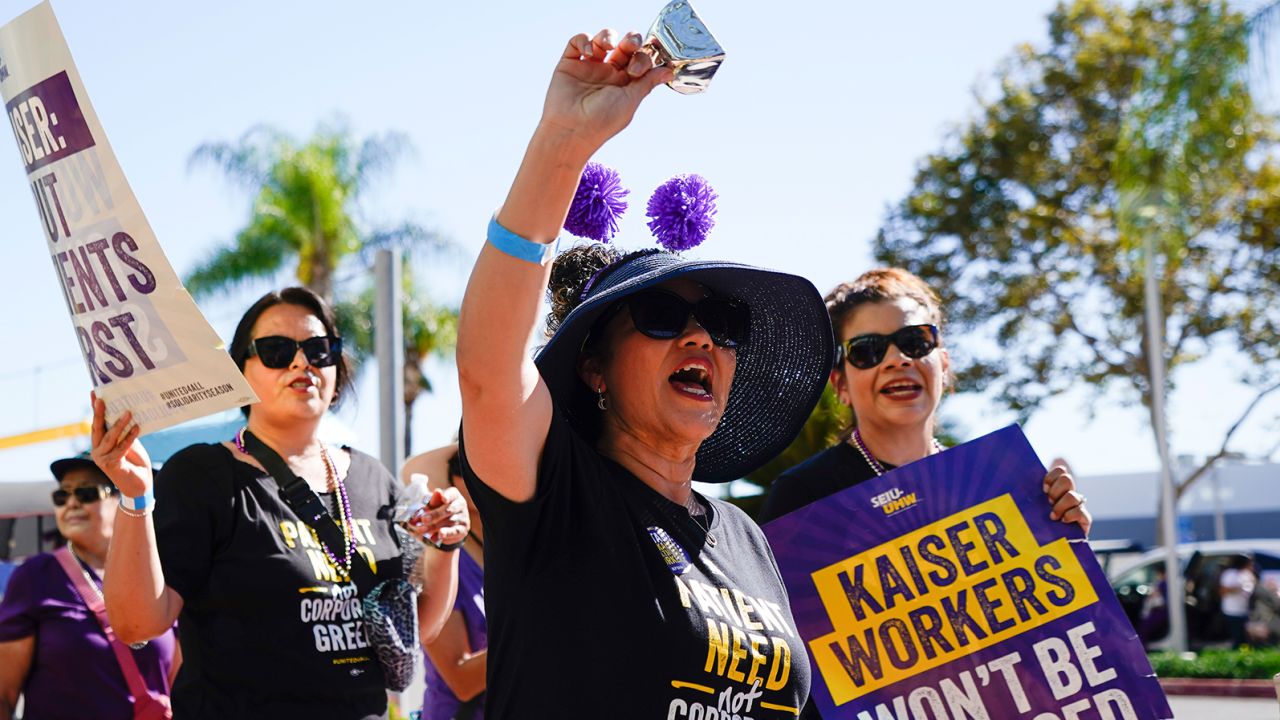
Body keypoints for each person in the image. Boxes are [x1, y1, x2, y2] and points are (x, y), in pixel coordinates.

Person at [455, 28, 833, 720]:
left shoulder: (745, 538)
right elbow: (487, 369)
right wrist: (564, 142)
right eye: (661, 315)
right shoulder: (555, 493)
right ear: (593, 367)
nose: (700, 337)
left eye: (724, 325)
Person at [90, 287, 470, 719]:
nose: (300, 362)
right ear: (240, 371)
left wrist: (445, 547)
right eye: (275, 350)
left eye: (318, 348)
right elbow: (137, 623)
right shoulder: (202, 476)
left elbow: (414, 627)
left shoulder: (372, 479)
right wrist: (136, 496)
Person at [761, 268, 1092, 716]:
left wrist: (1066, 545)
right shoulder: (802, 499)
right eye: (868, 351)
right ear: (840, 384)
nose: (897, 359)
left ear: (944, 362)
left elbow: (1056, 642)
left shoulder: (1004, 490)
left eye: (915, 341)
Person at [0, 452, 178, 720]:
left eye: (86, 493)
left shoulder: (164, 578)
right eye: (62, 496)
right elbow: (3, 694)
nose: (71, 503)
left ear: (127, 495)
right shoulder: (36, 575)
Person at [402, 443, 486, 720]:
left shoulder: (510, 558)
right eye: (462, 466)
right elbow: (460, 680)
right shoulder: (446, 563)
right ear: (455, 482)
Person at [1219, 554, 1256, 648]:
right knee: (1237, 636)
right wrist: (1238, 588)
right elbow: (1223, 591)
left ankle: (1245, 655)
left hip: (1245, 610)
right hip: (1232, 610)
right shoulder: (1230, 574)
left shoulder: (1247, 574)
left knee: (1247, 637)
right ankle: (1237, 655)